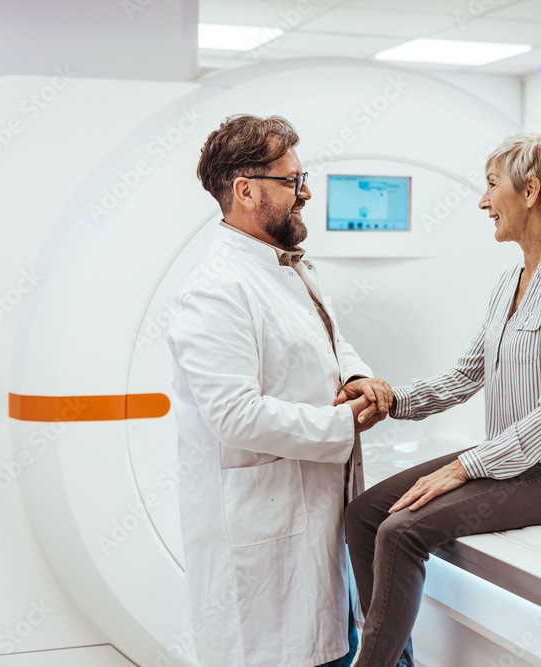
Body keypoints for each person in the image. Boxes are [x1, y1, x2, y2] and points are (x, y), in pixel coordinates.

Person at [339, 132, 541, 667]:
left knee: (401, 532)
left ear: (530, 190)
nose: (483, 202)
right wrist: (393, 399)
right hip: (513, 465)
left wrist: (465, 467)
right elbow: (467, 374)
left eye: (491, 187)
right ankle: (396, 661)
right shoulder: (511, 277)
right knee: (364, 514)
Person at [165, 114, 393, 667]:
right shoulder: (216, 289)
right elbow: (236, 417)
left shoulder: (288, 269)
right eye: (292, 181)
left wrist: (357, 378)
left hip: (315, 524)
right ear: (245, 190)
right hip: (263, 548)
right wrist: (346, 424)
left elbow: (326, 345)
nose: (306, 192)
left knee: (332, 641)